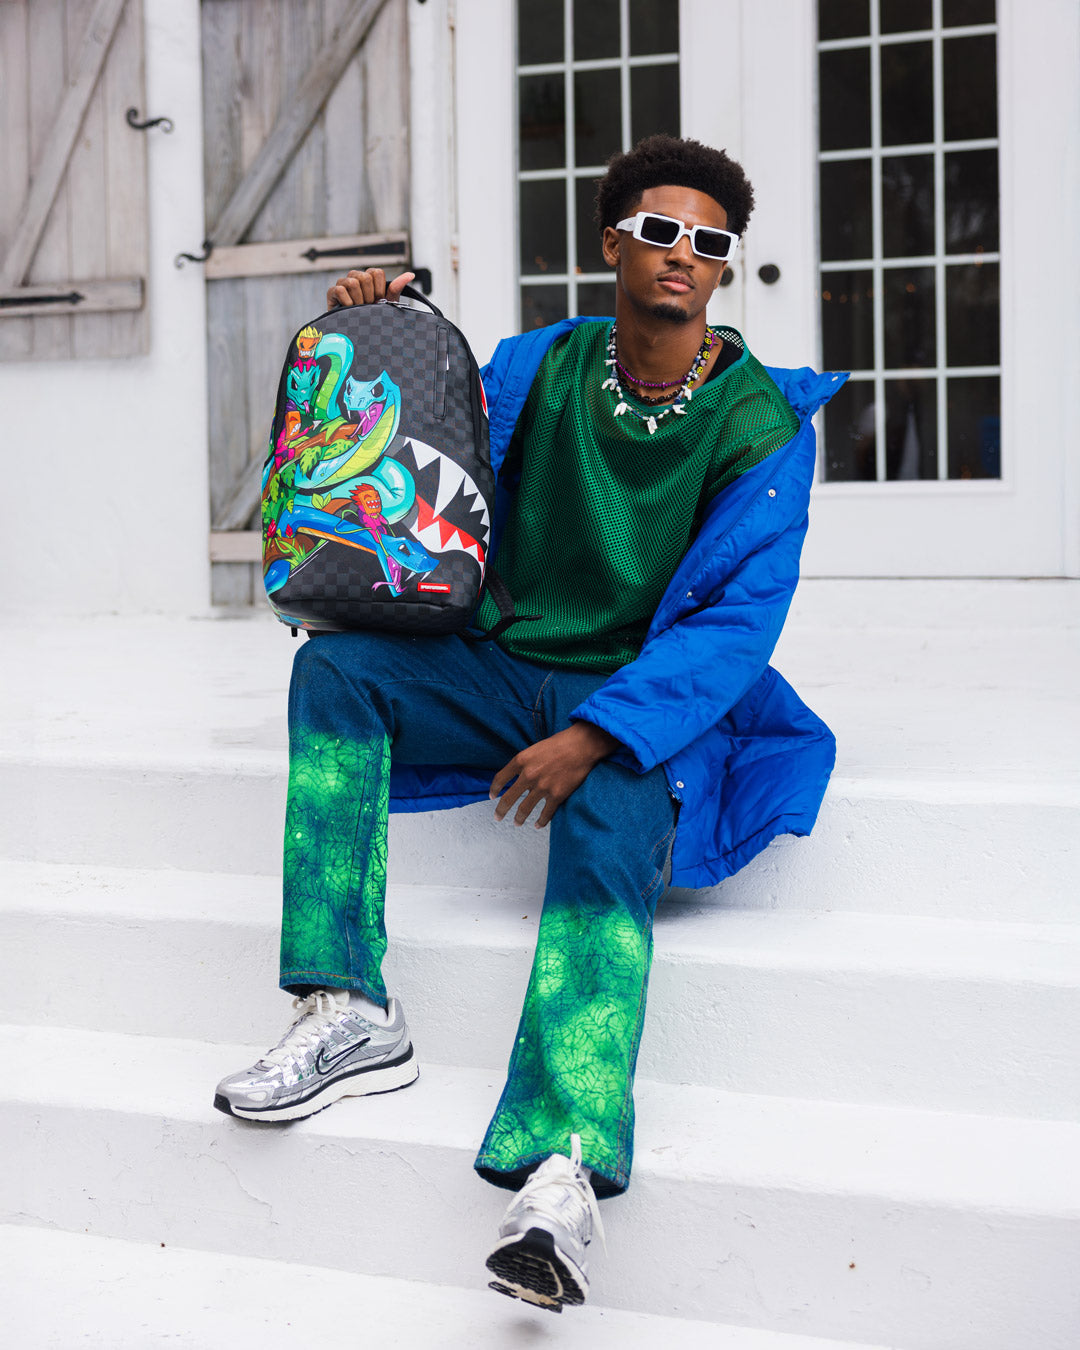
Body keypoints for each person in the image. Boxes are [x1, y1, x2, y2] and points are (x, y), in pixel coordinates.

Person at [214, 134, 837, 1313]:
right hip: (502, 667)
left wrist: (598, 734)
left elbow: (735, 625)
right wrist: (372, 330)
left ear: (723, 269)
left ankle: (562, 1170)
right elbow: (418, 440)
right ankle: (349, 1006)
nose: (684, 255)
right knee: (335, 674)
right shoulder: (539, 367)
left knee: (611, 817)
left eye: (710, 242)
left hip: (642, 698)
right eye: (660, 230)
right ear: (612, 244)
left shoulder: (759, 426)